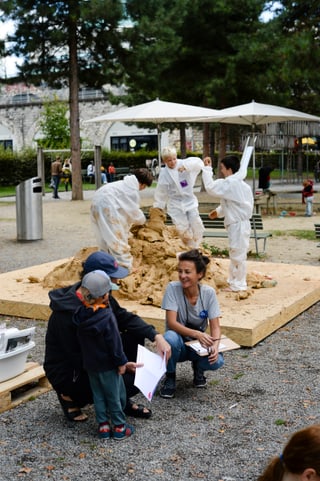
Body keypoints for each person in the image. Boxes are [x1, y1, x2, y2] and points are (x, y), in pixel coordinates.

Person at [44, 250, 171, 422]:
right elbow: (77, 356)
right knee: (129, 381)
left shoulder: (100, 295)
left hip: (93, 358)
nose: (118, 281)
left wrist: (156, 336)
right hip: (71, 371)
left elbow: (124, 317)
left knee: (133, 337)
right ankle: (69, 396)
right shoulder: (67, 315)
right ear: (96, 278)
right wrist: (120, 364)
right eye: (113, 278)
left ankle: (120, 400)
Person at [74, 270, 134, 440]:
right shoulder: (107, 317)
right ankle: (119, 427)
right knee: (114, 395)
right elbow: (114, 343)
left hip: (91, 365)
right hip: (108, 366)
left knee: (98, 395)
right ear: (104, 296)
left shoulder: (80, 315)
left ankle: (103, 427)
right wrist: (121, 362)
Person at [159, 249, 224, 399]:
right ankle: (170, 376)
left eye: (187, 272)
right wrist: (197, 333)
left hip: (197, 344)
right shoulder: (172, 289)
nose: (182, 276)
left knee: (217, 361)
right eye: (180, 271)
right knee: (169, 337)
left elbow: (215, 326)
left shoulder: (209, 293)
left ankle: (198, 367)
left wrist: (215, 346)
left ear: (199, 274)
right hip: (179, 344)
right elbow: (172, 322)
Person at [202, 155, 254, 292]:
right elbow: (235, 204)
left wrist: (207, 169)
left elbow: (210, 188)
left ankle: (239, 284)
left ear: (229, 169)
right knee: (235, 252)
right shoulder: (242, 185)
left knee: (238, 254)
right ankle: (234, 281)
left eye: (223, 168)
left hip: (238, 225)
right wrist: (218, 212)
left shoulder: (231, 183)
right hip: (238, 224)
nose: (222, 171)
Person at [90, 168, 153, 271]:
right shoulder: (132, 190)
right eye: (144, 186)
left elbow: (123, 211)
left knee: (104, 236)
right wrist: (143, 220)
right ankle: (125, 266)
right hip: (106, 205)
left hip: (96, 201)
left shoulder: (122, 184)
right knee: (116, 238)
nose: (143, 189)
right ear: (142, 184)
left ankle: (104, 261)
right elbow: (134, 212)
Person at [153, 146, 205, 249]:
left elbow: (199, 163)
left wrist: (187, 167)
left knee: (197, 223)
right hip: (175, 203)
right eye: (169, 160)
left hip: (189, 200)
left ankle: (198, 246)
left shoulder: (184, 163)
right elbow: (161, 192)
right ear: (164, 161)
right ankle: (189, 249)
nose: (173, 162)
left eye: (174, 159)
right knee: (182, 228)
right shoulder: (164, 173)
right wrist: (158, 207)